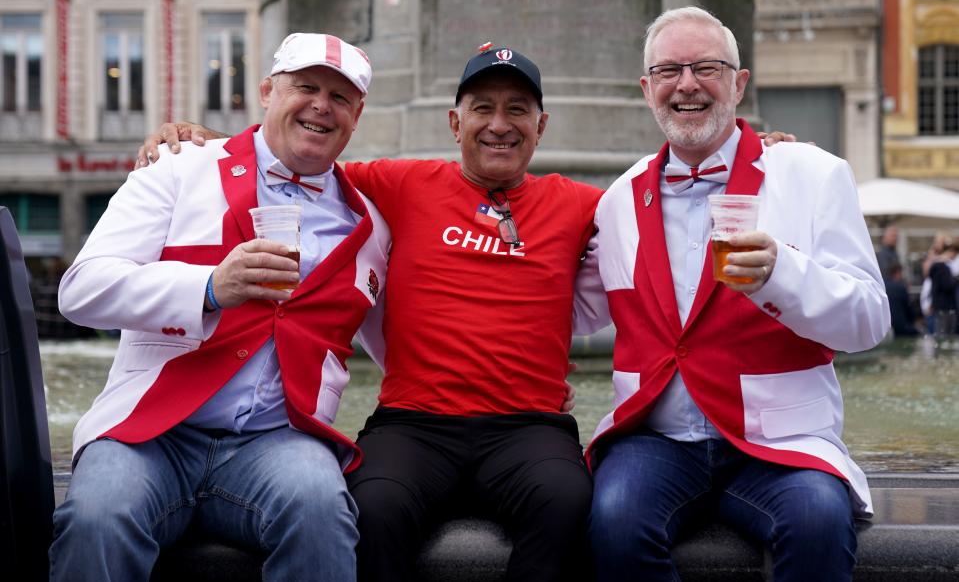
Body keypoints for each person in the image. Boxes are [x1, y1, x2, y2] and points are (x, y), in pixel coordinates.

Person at [140, 44, 798, 582]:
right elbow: (298, 153)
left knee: (571, 506)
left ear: (542, 127)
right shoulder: (396, 183)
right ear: (455, 123)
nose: (499, 123)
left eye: (518, 109)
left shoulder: (583, 204)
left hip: (529, 428)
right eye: (482, 107)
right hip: (414, 425)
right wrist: (200, 143)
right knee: (369, 510)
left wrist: (738, 152)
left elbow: (676, 192)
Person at [51, 33, 390, 581]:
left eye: (341, 97)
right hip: (150, 433)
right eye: (305, 86)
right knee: (96, 517)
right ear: (267, 92)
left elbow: (400, 348)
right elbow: (81, 291)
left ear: (357, 116)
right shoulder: (180, 167)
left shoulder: (369, 224)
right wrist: (209, 286)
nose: (321, 105)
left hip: (276, 442)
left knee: (322, 512)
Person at [584, 7, 890, 582]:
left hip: (781, 441)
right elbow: (578, 311)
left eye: (707, 67)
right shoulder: (619, 199)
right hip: (659, 438)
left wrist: (783, 275)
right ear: (647, 89)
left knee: (820, 522)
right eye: (669, 70)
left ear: (739, 83)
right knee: (614, 521)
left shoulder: (812, 175)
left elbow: (870, 322)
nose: (688, 84)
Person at [887, 263, 920, 337]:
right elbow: (909, 310)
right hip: (901, 327)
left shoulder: (883, 286)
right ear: (898, 272)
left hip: (887, 327)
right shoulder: (901, 288)